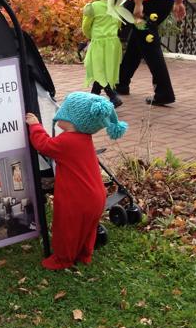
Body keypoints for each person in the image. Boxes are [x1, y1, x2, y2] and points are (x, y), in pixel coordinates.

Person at [25, 92, 128, 270]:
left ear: (73, 119)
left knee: (67, 231)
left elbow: (43, 145)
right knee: (87, 230)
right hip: (96, 197)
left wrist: (35, 126)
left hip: (76, 200)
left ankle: (62, 260)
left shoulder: (67, 141)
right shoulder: (84, 139)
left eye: (63, 112)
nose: (58, 115)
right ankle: (84, 255)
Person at [83, 0, 129, 108]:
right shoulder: (116, 8)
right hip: (113, 44)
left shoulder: (93, 7)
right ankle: (94, 98)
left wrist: (89, 36)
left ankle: (112, 95)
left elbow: (85, 26)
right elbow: (119, 25)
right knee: (104, 70)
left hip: (98, 43)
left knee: (98, 70)